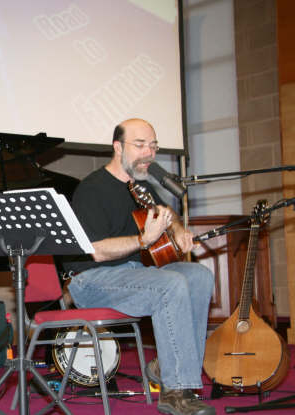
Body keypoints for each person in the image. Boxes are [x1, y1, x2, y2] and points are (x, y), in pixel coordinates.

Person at [66, 118, 215, 415]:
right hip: (92, 280)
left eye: (153, 146)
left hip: (137, 275)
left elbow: (166, 212)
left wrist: (179, 230)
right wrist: (142, 239)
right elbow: (96, 252)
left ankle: (168, 366)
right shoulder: (91, 189)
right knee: (170, 283)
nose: (149, 152)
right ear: (117, 147)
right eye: (140, 145)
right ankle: (174, 392)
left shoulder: (141, 186)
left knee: (199, 276)